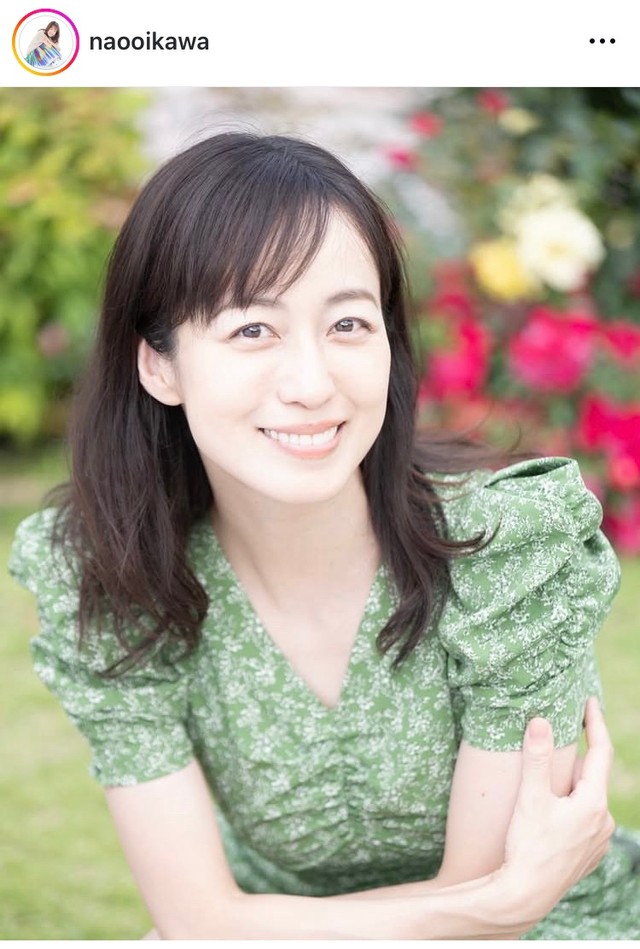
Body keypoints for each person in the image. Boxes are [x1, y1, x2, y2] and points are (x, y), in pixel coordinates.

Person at [8, 132, 640, 940]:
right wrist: (498, 899)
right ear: (159, 365)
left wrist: (495, 905)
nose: (312, 384)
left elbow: (490, 917)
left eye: (347, 324)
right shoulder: (116, 573)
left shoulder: (506, 550)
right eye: (252, 330)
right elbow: (194, 917)